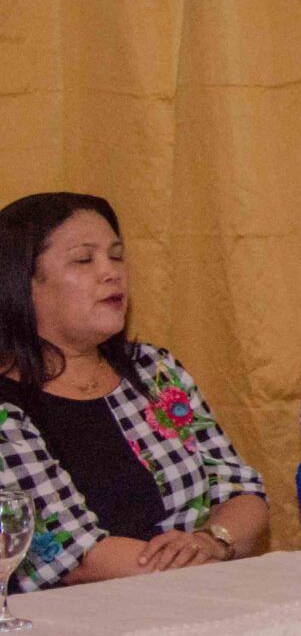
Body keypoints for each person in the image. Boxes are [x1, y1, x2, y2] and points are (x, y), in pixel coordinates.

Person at [0, 192, 268, 590]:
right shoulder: (7, 407)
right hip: (83, 618)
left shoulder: (154, 370)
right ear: (21, 282)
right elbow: (74, 554)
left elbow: (242, 491)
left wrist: (213, 541)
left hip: (201, 592)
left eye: (117, 256)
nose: (112, 272)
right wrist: (199, 564)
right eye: (84, 259)